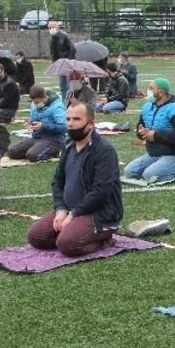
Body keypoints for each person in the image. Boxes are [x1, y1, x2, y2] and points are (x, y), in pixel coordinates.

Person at [27, 102, 124, 256]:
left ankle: (104, 239)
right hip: (69, 209)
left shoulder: (104, 151)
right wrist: (60, 209)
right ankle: (75, 232)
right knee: (35, 237)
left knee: (67, 244)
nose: (70, 124)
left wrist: (74, 214)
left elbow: (100, 192)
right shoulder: (68, 145)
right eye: (68, 119)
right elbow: (57, 182)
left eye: (76, 119)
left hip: (99, 213)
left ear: (90, 123)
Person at [125, 78, 175, 183]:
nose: (148, 91)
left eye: (151, 88)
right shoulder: (147, 107)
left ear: (161, 91)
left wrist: (155, 136)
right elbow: (140, 128)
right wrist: (141, 132)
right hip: (153, 154)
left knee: (149, 175)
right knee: (130, 172)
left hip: (173, 155)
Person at [9, 85, 68, 162]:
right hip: (37, 137)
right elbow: (35, 119)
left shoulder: (57, 107)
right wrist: (30, 122)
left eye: (37, 102)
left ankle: (55, 151)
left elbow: (64, 127)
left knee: (32, 155)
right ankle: (38, 149)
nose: (35, 104)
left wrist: (43, 126)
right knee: (12, 151)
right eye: (34, 102)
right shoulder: (34, 104)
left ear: (44, 97)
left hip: (54, 140)